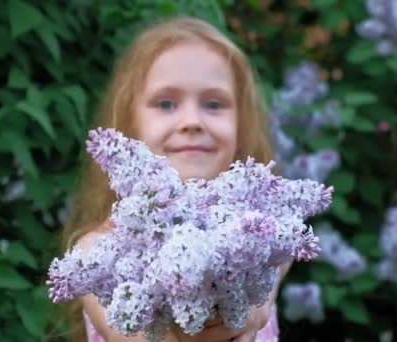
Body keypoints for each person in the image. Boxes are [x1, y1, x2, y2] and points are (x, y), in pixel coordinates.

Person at [59, 16, 292, 342]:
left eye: (214, 104)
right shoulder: (97, 255)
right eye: (166, 104)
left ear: (242, 125)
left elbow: (255, 311)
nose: (191, 121)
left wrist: (249, 310)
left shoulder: (266, 236)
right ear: (131, 125)